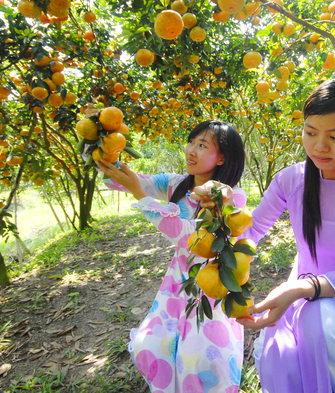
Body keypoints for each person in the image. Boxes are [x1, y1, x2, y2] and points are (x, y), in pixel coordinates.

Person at [197, 79, 335, 392]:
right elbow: (253, 229)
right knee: (284, 349)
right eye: (310, 132)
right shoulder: (291, 179)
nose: (319, 146)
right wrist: (221, 205)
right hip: (304, 295)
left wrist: (304, 288)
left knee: (324, 323)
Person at [96, 120, 247, 393]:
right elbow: (114, 178)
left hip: (212, 282)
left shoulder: (232, 197)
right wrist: (101, 137)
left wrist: (141, 196)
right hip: (178, 280)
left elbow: (193, 240)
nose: (191, 150)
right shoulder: (175, 184)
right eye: (191, 142)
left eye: (202, 145)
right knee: (152, 345)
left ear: (222, 157)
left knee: (201, 358)